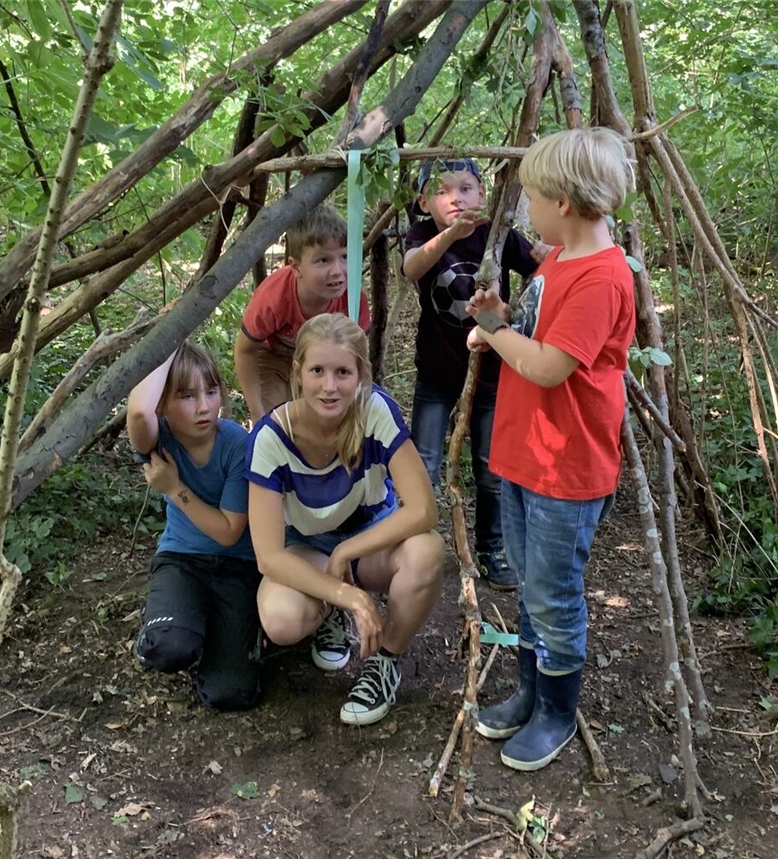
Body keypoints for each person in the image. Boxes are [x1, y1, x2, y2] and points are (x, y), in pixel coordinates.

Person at [465, 128, 636, 771]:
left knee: (552, 593)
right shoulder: (559, 259)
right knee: (533, 586)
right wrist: (502, 327)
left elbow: (547, 366)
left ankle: (557, 711)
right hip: (524, 453)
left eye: (532, 198)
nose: (526, 211)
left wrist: (497, 330)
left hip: (565, 467)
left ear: (564, 200)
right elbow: (533, 334)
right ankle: (532, 692)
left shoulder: (601, 279)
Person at [246, 313, 444, 726]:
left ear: (361, 374)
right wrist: (347, 595)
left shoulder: (375, 411)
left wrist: (345, 552)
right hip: (309, 547)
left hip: (370, 539)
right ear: (298, 372)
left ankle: (385, 661)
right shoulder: (270, 437)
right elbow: (268, 557)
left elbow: (424, 509)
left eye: (342, 372)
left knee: (427, 551)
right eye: (317, 370)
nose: (330, 386)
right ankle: (331, 611)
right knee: (281, 619)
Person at [402, 157, 545, 591]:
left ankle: (491, 547)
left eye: (465, 188)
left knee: (490, 468)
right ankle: (417, 544)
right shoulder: (426, 234)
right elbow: (411, 268)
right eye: (443, 192)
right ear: (425, 202)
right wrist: (450, 236)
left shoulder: (495, 234)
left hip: (491, 375)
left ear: (482, 195)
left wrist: (515, 312)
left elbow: (539, 265)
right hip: (436, 374)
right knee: (423, 463)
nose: (455, 198)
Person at [127, 341, 261, 711]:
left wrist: (174, 488)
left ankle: (224, 638)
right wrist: (171, 339)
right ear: (164, 405)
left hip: (239, 567)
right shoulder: (159, 440)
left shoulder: (238, 444)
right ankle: (171, 629)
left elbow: (228, 531)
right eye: (186, 396)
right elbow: (138, 412)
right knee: (168, 647)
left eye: (212, 392)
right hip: (183, 561)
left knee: (231, 694)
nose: (204, 407)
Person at [235, 205, 372, 424]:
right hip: (275, 360)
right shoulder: (273, 298)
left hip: (327, 364)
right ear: (296, 267)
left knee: (337, 420)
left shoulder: (353, 299)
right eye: (323, 260)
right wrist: (258, 413)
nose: (337, 270)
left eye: (344, 257)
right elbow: (245, 351)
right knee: (278, 424)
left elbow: (359, 359)